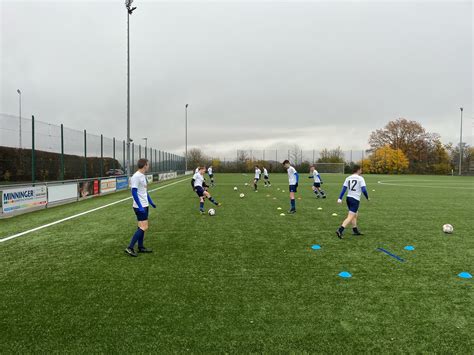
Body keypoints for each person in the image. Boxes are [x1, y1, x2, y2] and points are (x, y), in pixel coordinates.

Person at [125, 158, 155, 257]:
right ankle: (130, 247)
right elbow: (134, 192)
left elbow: (144, 191)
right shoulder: (136, 176)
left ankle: (141, 247)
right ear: (144, 165)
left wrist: (150, 202)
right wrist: (140, 206)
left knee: (141, 226)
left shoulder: (143, 176)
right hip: (139, 206)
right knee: (144, 226)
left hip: (144, 204)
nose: (149, 166)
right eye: (148, 164)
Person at [336, 164, 369, 239]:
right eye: (360, 169)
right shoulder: (360, 178)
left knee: (355, 214)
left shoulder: (348, 178)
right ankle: (340, 230)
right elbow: (364, 190)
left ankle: (355, 230)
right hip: (355, 199)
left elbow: (344, 189)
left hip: (349, 198)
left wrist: (340, 198)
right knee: (350, 216)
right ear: (358, 170)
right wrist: (367, 197)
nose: (361, 171)